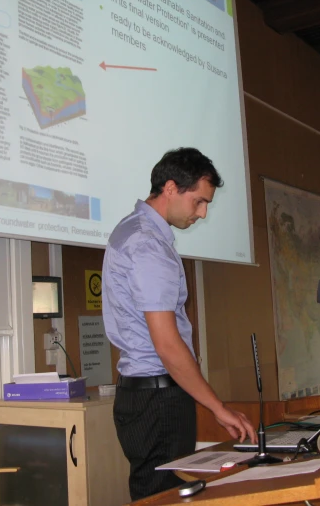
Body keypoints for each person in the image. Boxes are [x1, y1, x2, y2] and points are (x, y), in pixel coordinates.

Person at [102, 147, 257, 500]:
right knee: (165, 497)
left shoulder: (133, 230)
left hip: (144, 394)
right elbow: (168, 345)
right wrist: (218, 408)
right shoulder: (147, 243)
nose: (202, 213)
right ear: (170, 188)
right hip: (158, 398)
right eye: (199, 202)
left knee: (158, 494)